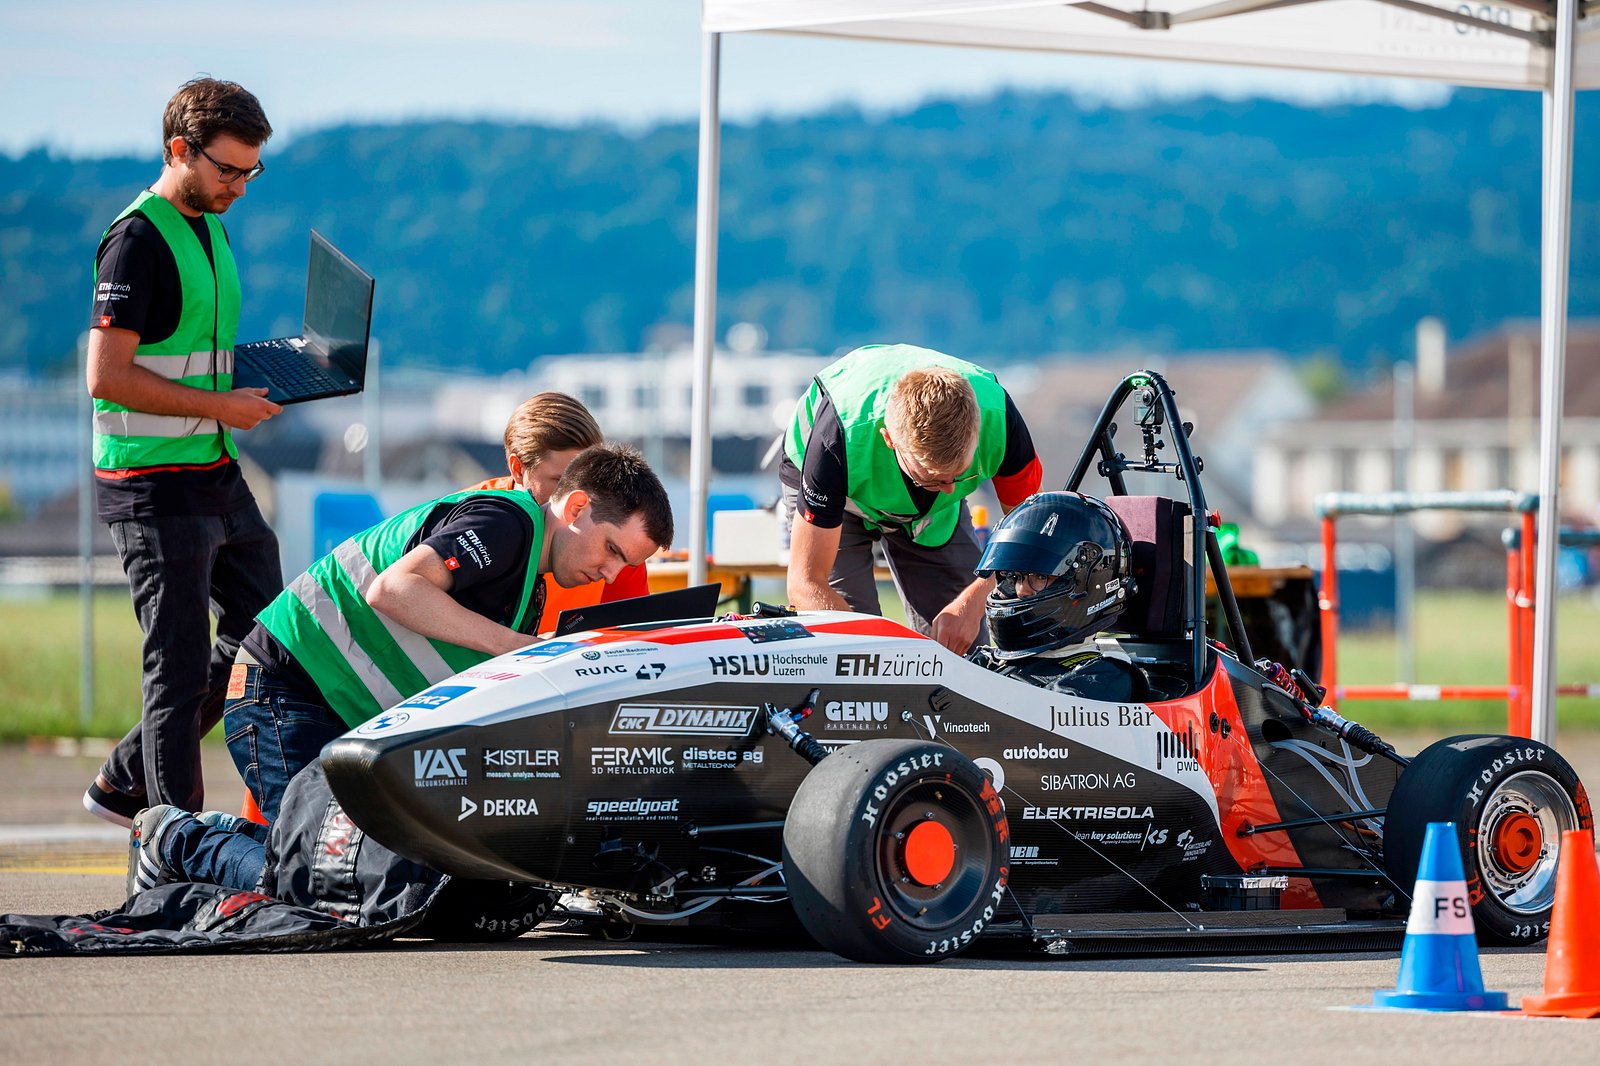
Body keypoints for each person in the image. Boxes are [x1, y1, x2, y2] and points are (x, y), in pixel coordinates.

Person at [223, 442, 674, 821]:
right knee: (318, 866)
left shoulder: (528, 580)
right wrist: (519, 648)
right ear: (576, 507)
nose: (612, 574)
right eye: (612, 549)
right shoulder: (507, 525)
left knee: (344, 868)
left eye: (627, 565)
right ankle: (188, 840)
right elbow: (394, 590)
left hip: (323, 700)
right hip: (286, 686)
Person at [83, 78, 284, 825]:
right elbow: (106, 378)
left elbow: (190, 349)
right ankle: (173, 840)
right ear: (180, 149)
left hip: (211, 464)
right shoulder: (136, 241)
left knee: (268, 631)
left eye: (251, 172)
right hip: (151, 481)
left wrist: (274, 372)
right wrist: (222, 405)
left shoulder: (209, 224)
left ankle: (123, 779)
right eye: (228, 170)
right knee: (176, 665)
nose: (240, 187)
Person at [781, 343, 1042, 654]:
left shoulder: (1001, 421)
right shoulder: (833, 440)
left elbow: (1028, 539)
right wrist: (870, 656)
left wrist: (973, 602)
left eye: (960, 475)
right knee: (850, 645)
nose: (950, 489)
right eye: (933, 479)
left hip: (933, 514)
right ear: (890, 440)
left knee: (966, 647)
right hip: (843, 490)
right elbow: (806, 582)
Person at [463, 391, 651, 633]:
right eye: (562, 481)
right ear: (518, 469)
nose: (580, 498)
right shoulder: (468, 518)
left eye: (592, 481)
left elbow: (633, 636)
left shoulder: (618, 539)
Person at [968, 490, 1147, 701]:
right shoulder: (989, 661)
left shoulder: (1104, 677)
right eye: (1013, 576)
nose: (1020, 590)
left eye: (1040, 576)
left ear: (1088, 582)